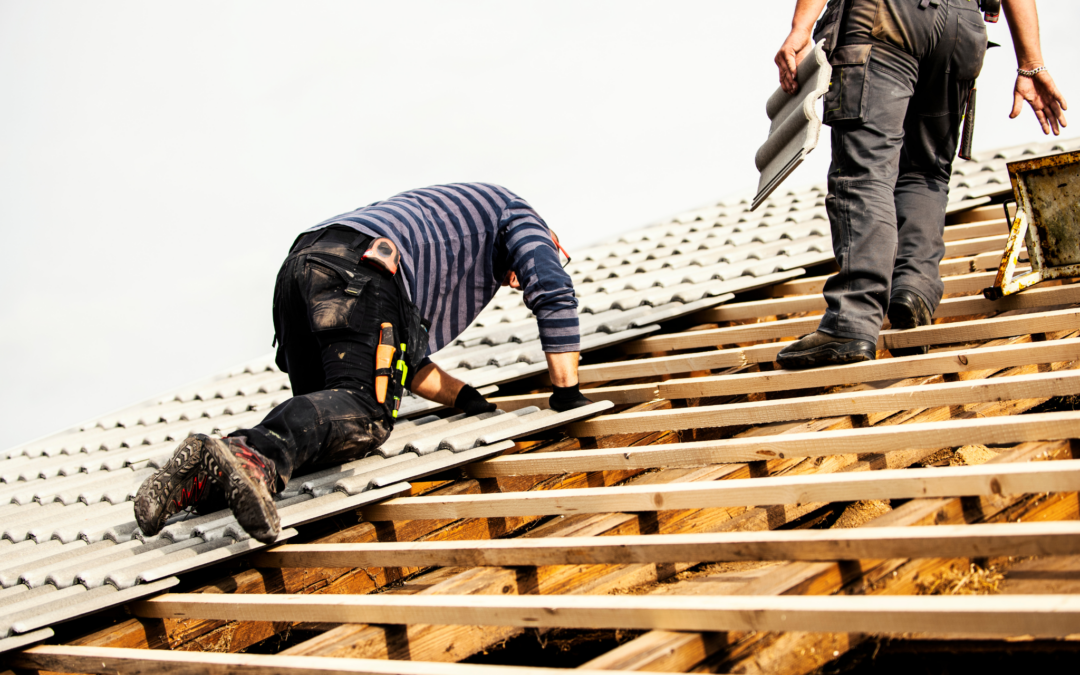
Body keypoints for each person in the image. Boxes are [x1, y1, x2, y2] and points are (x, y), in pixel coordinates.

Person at [134, 183, 593, 543]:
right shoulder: (520, 217)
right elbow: (553, 292)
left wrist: (466, 399)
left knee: (326, 432)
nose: (513, 283)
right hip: (363, 270)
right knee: (366, 411)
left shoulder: (454, 228)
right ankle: (249, 452)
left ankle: (202, 478)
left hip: (305, 266)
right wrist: (567, 396)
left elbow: (398, 359)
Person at [773, 0, 1068, 369]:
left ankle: (851, 322)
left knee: (865, 173)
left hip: (885, 17)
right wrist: (1031, 62)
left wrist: (801, 27)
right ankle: (913, 292)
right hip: (961, 25)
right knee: (926, 171)